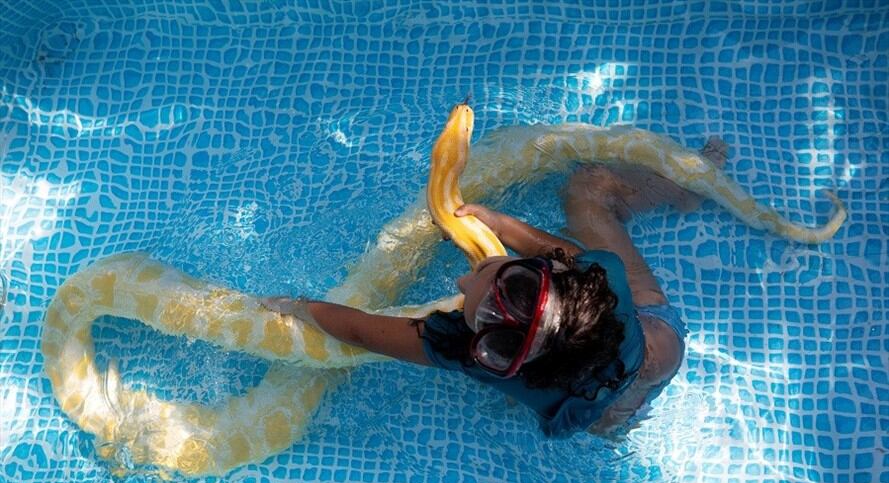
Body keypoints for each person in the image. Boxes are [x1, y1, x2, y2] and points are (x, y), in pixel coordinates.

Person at [263, 137, 729, 437]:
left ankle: (612, 418)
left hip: (573, 411)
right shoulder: (604, 281)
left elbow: (363, 331)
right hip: (649, 347)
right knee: (590, 189)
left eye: (469, 288)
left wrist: (297, 306)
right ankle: (625, 402)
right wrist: (504, 224)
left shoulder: (460, 348)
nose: (461, 277)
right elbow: (564, 252)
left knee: (593, 415)